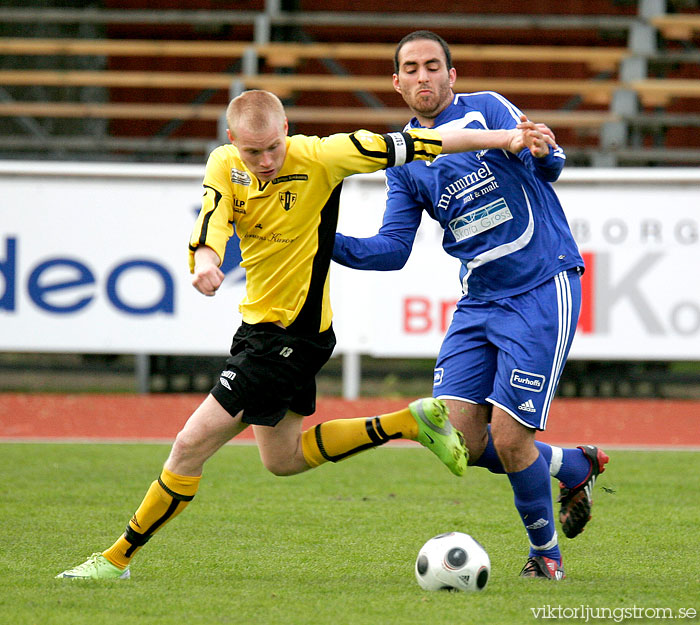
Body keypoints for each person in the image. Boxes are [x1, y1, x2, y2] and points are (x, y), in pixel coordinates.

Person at [55, 88, 545, 580]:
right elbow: (213, 216)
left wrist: (507, 137)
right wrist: (205, 258)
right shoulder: (224, 164)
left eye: (273, 147)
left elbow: (421, 143)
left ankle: (115, 559)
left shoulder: (323, 156)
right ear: (232, 141)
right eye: (253, 151)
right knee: (283, 459)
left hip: (287, 337)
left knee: (188, 445)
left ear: (285, 129)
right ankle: (407, 423)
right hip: (259, 331)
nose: (266, 160)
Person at [332, 31, 609, 580]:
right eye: (410, 68)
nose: (422, 77)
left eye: (433, 66)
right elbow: (391, 251)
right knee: (460, 437)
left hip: (541, 284)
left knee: (509, 438)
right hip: (480, 298)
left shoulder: (486, 110)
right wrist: (323, 241)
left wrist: (544, 151)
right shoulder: (402, 159)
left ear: (451, 76)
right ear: (396, 83)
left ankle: (546, 555)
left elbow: (547, 163)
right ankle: (572, 464)